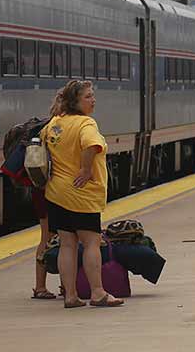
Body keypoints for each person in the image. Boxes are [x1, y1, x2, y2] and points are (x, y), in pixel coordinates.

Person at [40, 80, 123, 308]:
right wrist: (86, 169)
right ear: (74, 101)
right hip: (81, 193)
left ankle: (70, 296)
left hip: (56, 193)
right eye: (88, 96)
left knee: (67, 244)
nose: (93, 100)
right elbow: (91, 145)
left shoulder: (54, 124)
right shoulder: (86, 124)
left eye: (92, 95)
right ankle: (97, 292)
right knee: (91, 243)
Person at [30, 187, 57, 299]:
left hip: (41, 190)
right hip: (54, 191)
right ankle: (66, 287)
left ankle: (40, 287)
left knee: (46, 238)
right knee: (66, 240)